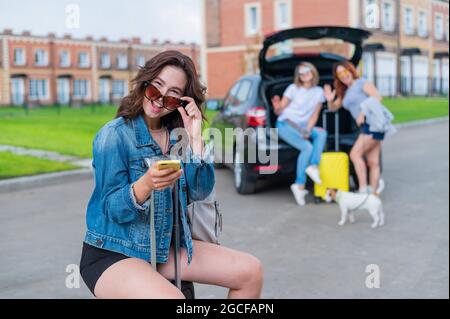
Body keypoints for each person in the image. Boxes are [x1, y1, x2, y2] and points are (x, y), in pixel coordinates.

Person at [79, 51, 263, 299]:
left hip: (163, 246)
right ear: (145, 82)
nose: (159, 100)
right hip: (115, 250)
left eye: (173, 94)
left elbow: (198, 192)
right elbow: (112, 208)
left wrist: (196, 138)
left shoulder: (179, 136)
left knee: (251, 272)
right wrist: (145, 184)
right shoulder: (114, 135)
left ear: (182, 101)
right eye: (157, 87)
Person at [324, 60, 385, 194]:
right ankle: (373, 195)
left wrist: (363, 112)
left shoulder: (361, 83)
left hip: (373, 123)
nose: (343, 75)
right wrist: (329, 99)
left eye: (345, 71)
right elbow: (333, 108)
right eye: (339, 74)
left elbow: (377, 97)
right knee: (373, 161)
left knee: (355, 154)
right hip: (364, 127)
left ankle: (363, 190)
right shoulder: (345, 91)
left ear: (351, 70)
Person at [271, 62, 327, 206]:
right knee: (307, 147)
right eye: (301, 72)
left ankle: (313, 166)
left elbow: (315, 115)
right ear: (299, 75)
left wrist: (308, 130)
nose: (304, 74)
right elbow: (280, 109)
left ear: (313, 71)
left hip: (302, 126)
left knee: (321, 134)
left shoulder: (319, 92)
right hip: (286, 124)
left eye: (306, 71)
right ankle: (299, 184)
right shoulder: (293, 88)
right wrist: (277, 108)